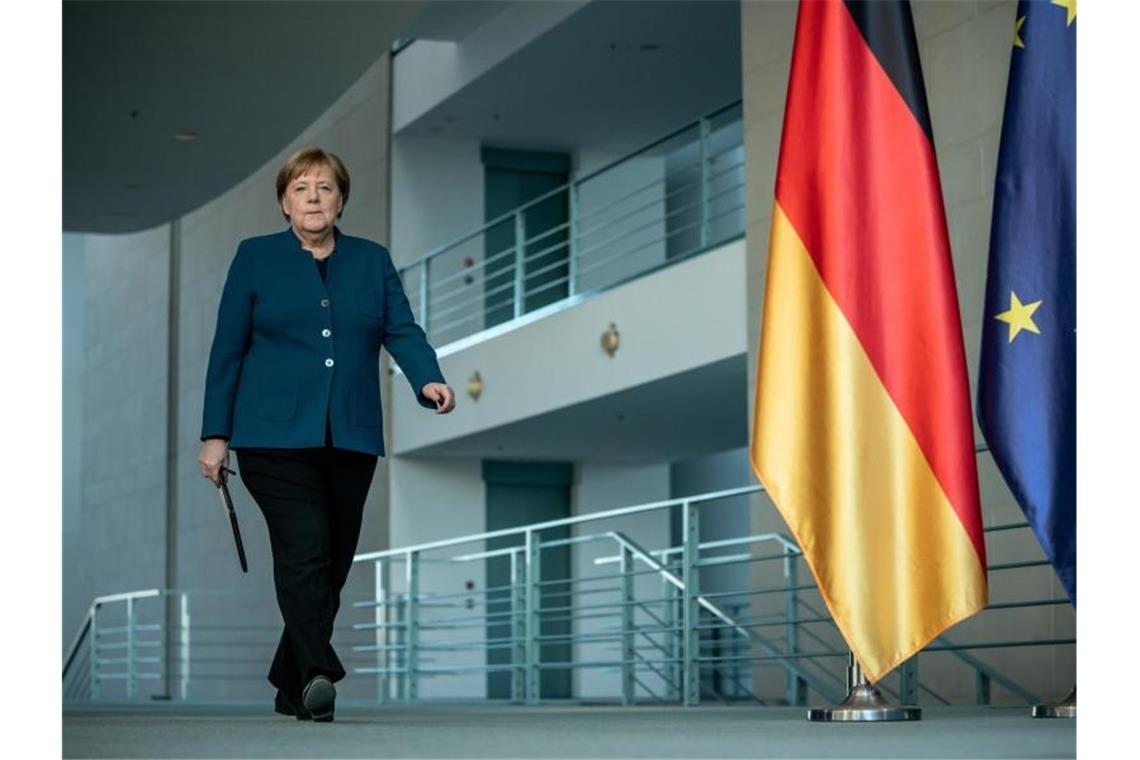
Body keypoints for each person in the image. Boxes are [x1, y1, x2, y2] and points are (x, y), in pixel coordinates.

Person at [196, 146, 455, 722]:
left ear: (342, 199)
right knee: (306, 547)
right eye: (301, 189)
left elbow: (402, 329)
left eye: (325, 188)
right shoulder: (256, 258)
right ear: (284, 202)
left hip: (351, 435)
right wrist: (215, 434)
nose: (313, 198)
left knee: (333, 559)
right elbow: (227, 350)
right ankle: (318, 673)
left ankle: (290, 681)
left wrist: (428, 378)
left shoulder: (371, 259)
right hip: (271, 436)